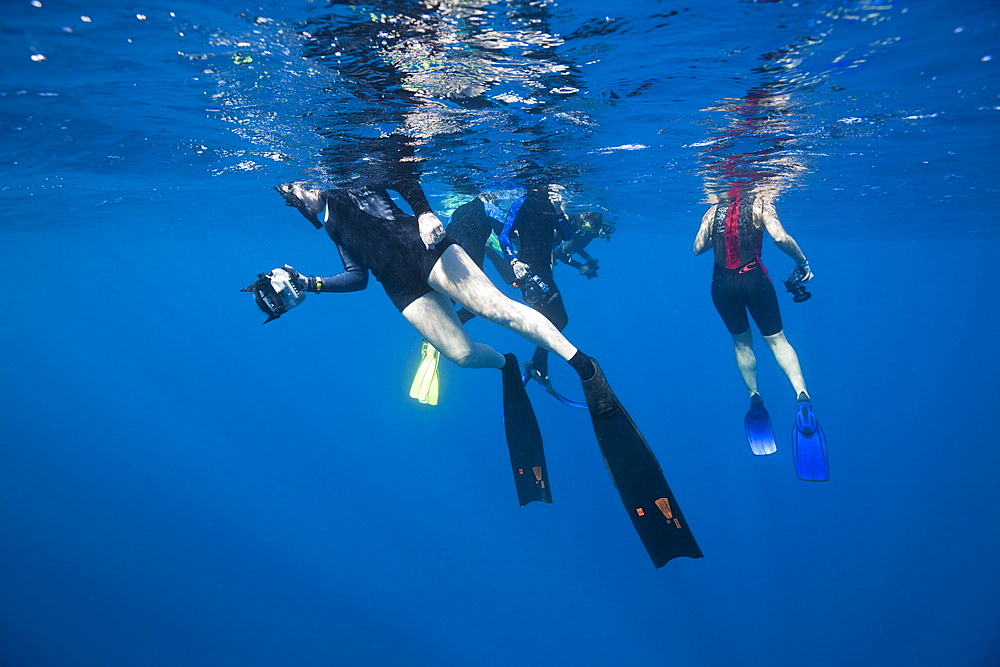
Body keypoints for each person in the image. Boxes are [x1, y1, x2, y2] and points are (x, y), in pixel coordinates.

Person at [244, 178, 703, 566]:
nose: (295, 192)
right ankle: (506, 363)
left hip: (420, 246)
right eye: (291, 193)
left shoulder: (347, 177)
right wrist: (312, 284)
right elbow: (358, 275)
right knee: (460, 355)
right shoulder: (328, 223)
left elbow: (402, 169)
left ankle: (583, 365)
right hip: (396, 283)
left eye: (298, 186)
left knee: (500, 309)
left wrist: (423, 211)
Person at [692, 185, 828, 481]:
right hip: (753, 279)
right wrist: (802, 261)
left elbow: (697, 248)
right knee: (778, 341)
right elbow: (779, 237)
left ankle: (755, 397)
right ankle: (801, 395)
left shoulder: (713, 209)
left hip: (721, 285)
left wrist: (711, 222)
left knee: (741, 344)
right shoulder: (761, 203)